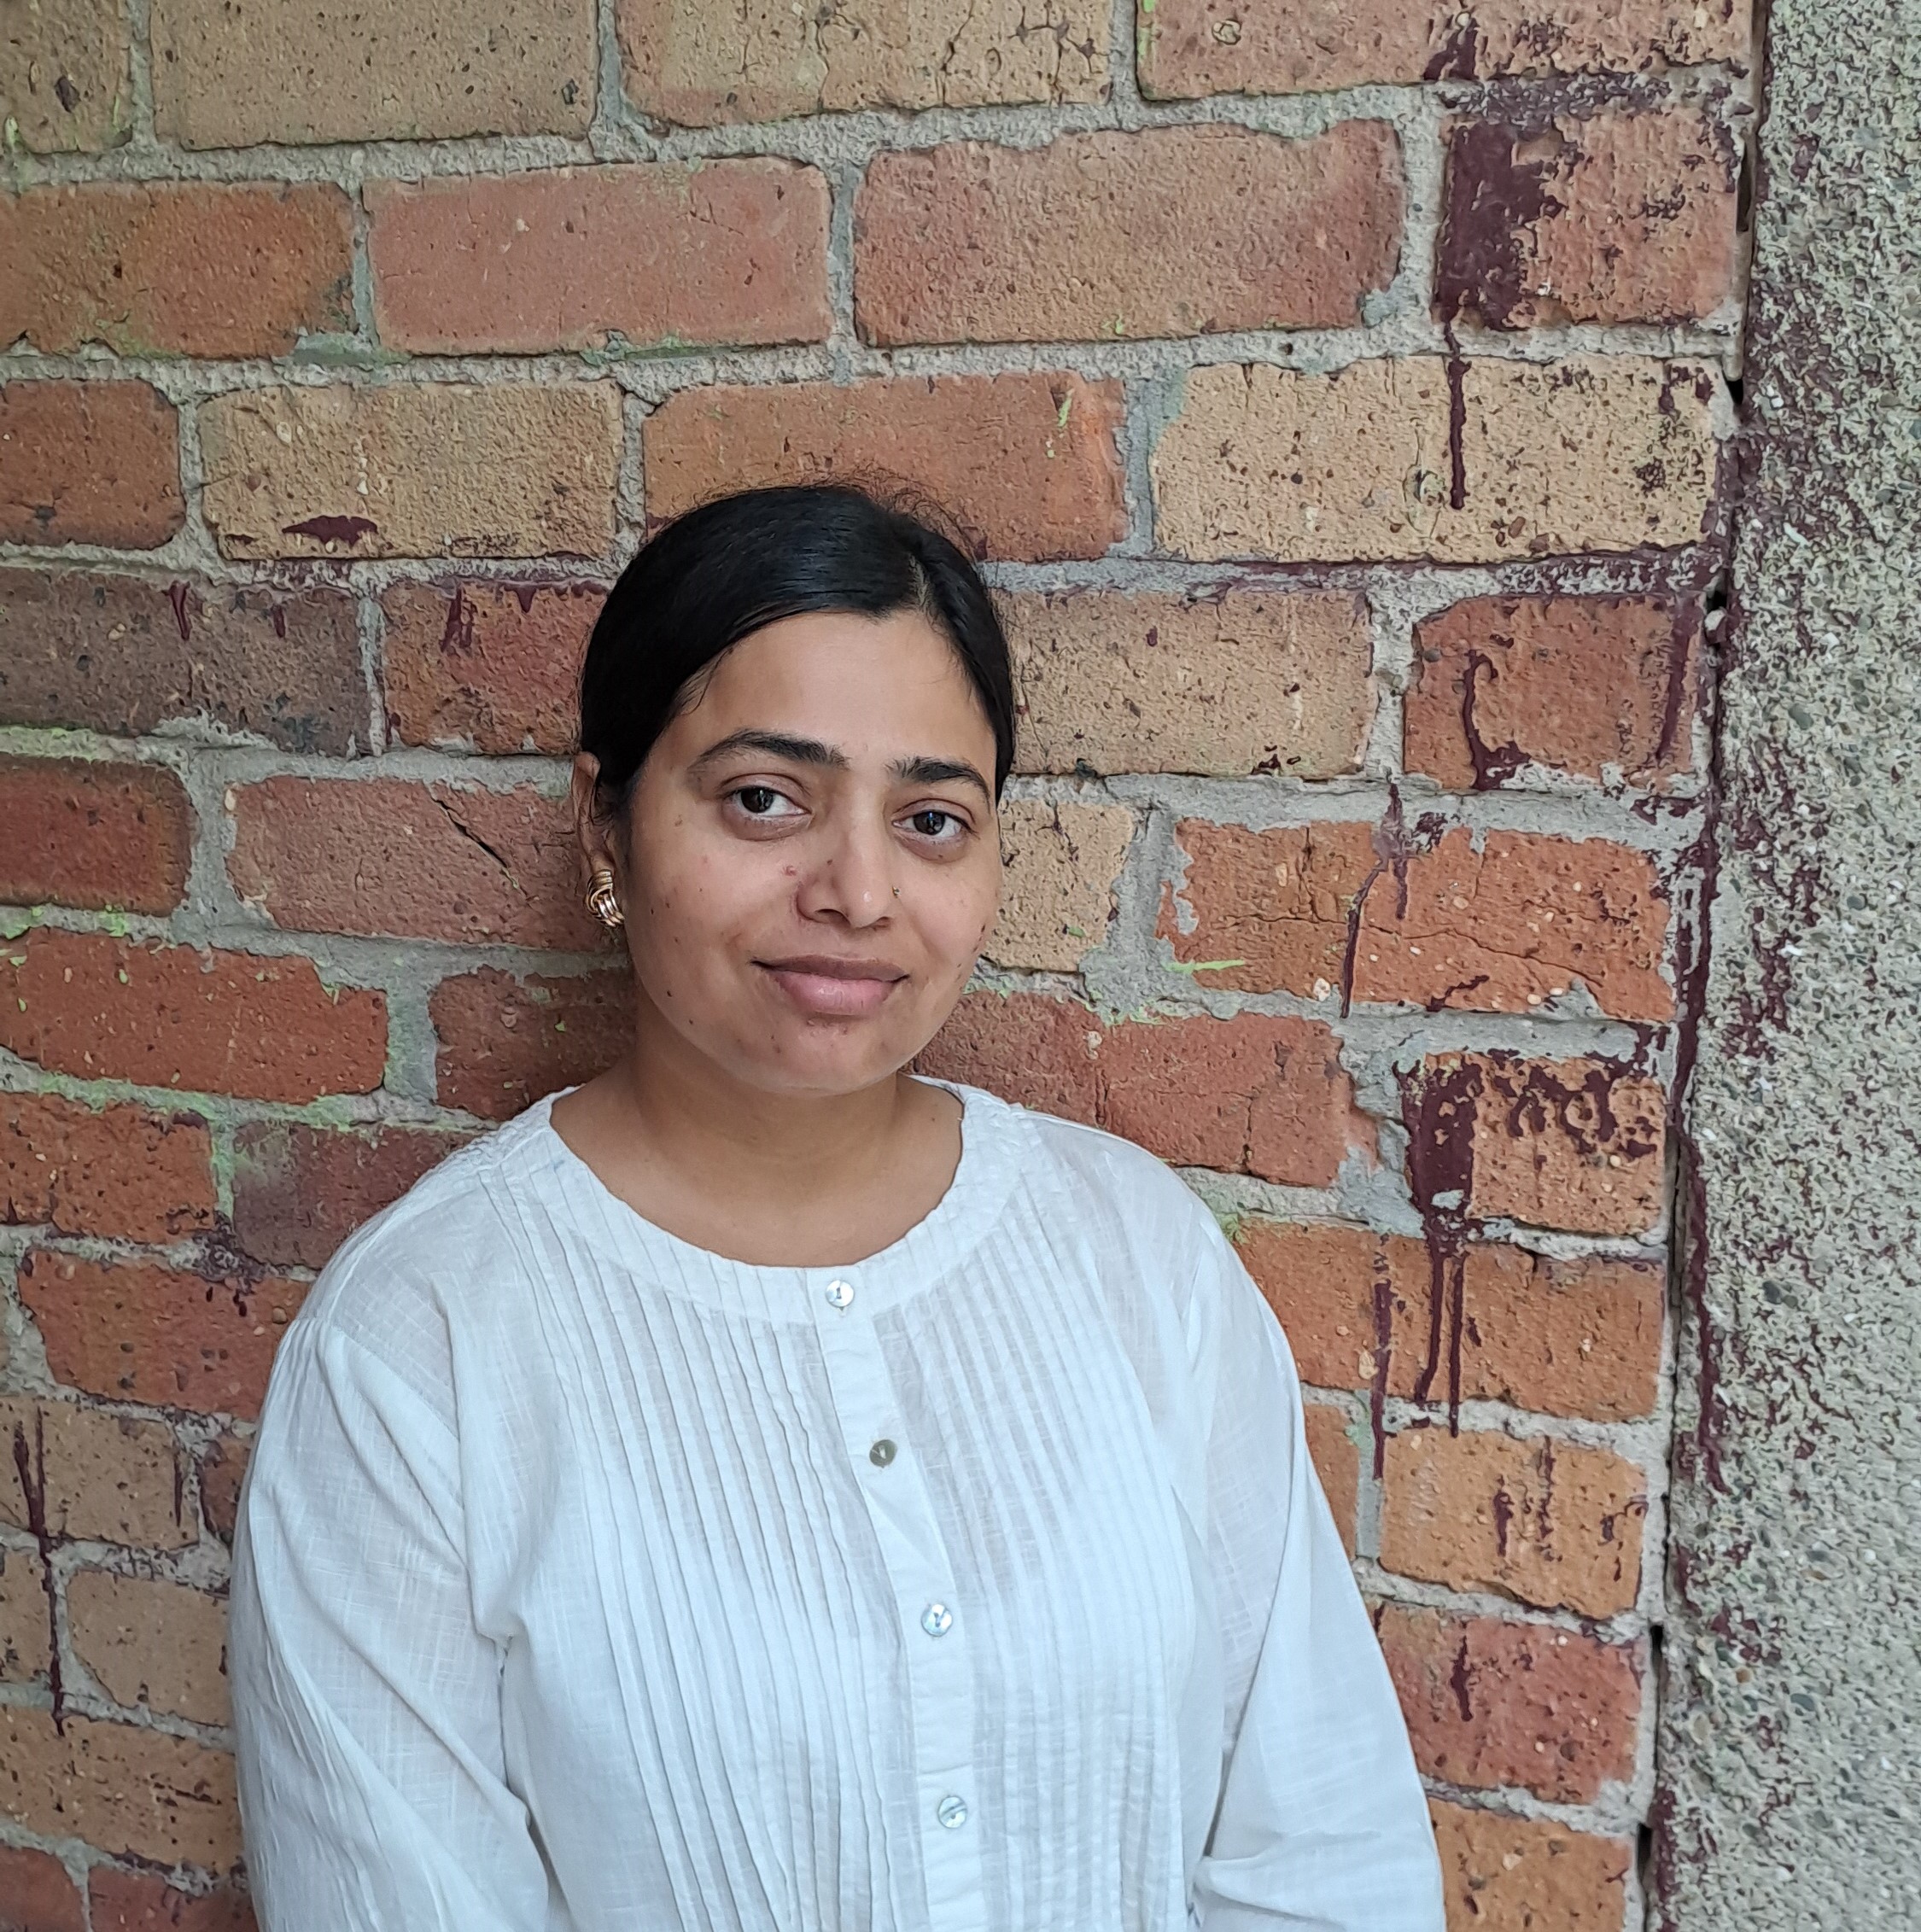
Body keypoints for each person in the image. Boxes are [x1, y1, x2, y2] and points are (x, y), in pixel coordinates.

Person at [228, 483, 1444, 1931]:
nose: (860, 892)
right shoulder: (417, 1349)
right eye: (764, 799)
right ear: (603, 823)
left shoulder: (1134, 1254)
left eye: (931, 819)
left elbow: (1323, 1849)